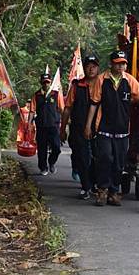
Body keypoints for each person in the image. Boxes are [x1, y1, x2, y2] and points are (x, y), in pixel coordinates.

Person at [84, 50, 139, 206]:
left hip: (123, 130)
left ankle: (113, 192)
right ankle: (102, 190)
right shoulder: (101, 79)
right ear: (111, 64)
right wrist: (88, 126)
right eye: (117, 63)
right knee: (105, 158)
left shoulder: (130, 81)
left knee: (118, 162)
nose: (120, 66)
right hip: (103, 128)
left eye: (123, 63)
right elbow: (94, 104)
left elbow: (138, 97)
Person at [60, 55, 100, 200]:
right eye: (88, 66)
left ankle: (95, 184)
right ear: (84, 67)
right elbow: (67, 108)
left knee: (98, 157)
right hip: (78, 127)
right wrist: (62, 128)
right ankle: (86, 186)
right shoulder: (77, 86)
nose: (91, 69)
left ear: (98, 68)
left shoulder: (102, 84)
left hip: (99, 128)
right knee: (82, 157)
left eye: (94, 66)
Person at [29, 72, 63, 175]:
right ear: (41, 83)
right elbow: (32, 110)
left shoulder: (56, 94)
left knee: (56, 147)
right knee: (42, 149)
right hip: (41, 126)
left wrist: (65, 123)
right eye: (44, 82)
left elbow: (62, 109)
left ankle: (51, 162)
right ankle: (43, 167)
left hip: (54, 126)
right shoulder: (36, 95)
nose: (46, 84)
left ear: (51, 82)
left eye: (48, 82)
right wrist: (29, 123)